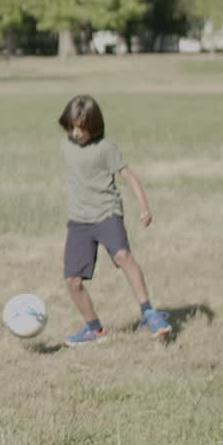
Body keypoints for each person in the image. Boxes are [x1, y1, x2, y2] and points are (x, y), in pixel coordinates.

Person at [57, 94, 171, 346]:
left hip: (107, 213)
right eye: (72, 126)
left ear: (94, 127)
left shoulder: (106, 148)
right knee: (73, 282)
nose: (76, 133)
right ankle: (94, 330)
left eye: (82, 128)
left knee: (123, 257)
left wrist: (144, 207)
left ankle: (148, 313)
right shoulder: (65, 146)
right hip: (79, 221)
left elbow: (128, 176)